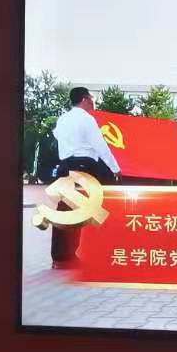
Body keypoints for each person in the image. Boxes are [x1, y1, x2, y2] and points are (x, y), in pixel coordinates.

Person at [48, 87, 120, 268]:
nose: (93, 102)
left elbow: (56, 135)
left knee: (64, 208)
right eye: (91, 98)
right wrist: (115, 168)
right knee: (78, 210)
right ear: (84, 99)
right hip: (83, 166)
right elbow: (100, 145)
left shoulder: (63, 119)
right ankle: (68, 257)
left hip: (65, 166)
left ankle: (59, 257)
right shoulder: (87, 119)